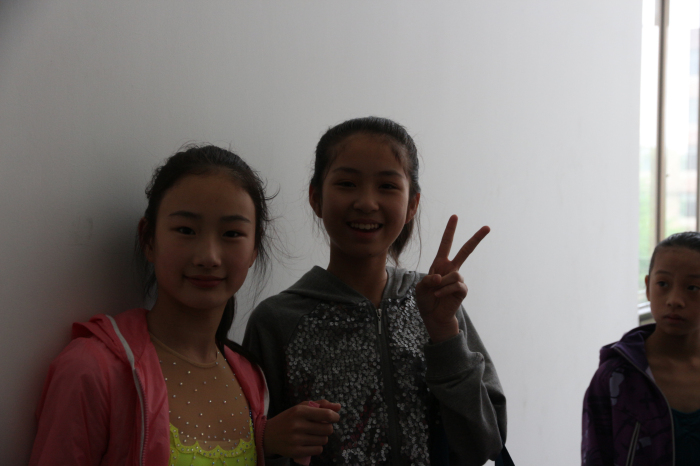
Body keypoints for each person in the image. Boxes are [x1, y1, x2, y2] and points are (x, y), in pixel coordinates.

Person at [29, 145, 339, 466]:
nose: (208, 257)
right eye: (186, 230)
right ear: (149, 239)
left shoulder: (250, 377)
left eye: (232, 233)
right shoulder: (92, 370)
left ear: (253, 250)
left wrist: (265, 440)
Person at [244, 117, 507, 465]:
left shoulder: (438, 305)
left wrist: (445, 334)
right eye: (347, 183)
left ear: (412, 205)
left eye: (387, 186)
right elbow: (251, 447)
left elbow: (483, 446)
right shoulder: (277, 321)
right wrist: (271, 442)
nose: (367, 202)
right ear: (316, 197)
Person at [582, 231, 700, 466]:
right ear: (647, 287)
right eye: (663, 284)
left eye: (693, 287)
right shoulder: (615, 378)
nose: (674, 300)